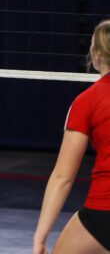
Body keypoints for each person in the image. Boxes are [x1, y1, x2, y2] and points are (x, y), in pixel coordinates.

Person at [33, 20, 110, 254]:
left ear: (97, 54)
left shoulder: (87, 101)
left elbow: (63, 177)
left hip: (104, 211)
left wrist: (40, 236)